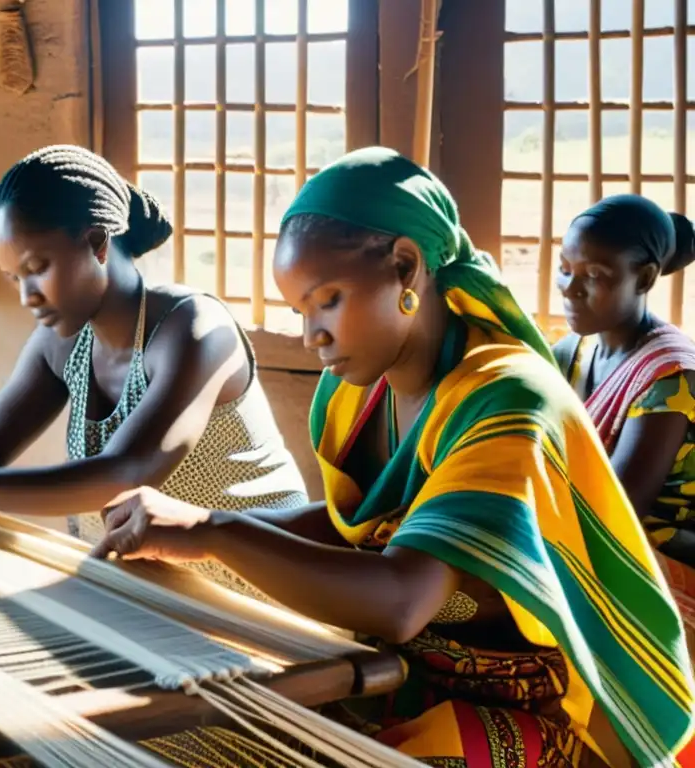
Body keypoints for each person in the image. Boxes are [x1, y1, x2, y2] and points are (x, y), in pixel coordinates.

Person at [92, 148, 695, 767]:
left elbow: (402, 599)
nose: (311, 336)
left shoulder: (507, 399)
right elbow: (354, 526)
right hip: (408, 679)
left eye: (327, 299)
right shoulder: (360, 390)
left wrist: (214, 531)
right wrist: (177, 530)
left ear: (406, 268)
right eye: (301, 311)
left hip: (537, 710)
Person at [0, 144, 308, 598]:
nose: (27, 297)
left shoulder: (195, 330)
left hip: (264, 585)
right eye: (13, 278)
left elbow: (126, 472)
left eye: (38, 267)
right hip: (157, 586)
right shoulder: (62, 345)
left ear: (97, 243)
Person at [552, 195, 695, 568]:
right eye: (564, 268)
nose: (570, 288)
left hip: (653, 560)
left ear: (644, 278)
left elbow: (613, 513)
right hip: (577, 536)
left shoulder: (669, 378)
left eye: (594, 275)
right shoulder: (570, 353)